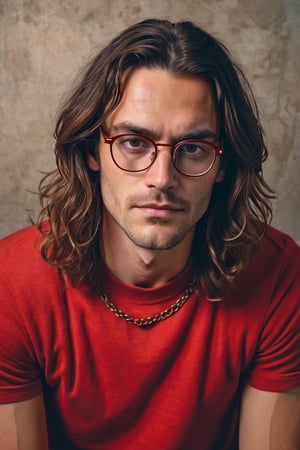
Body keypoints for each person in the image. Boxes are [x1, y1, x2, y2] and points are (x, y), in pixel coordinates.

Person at [0, 18, 299, 450]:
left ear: (223, 165)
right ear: (91, 151)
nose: (162, 178)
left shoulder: (278, 276)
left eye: (193, 148)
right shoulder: (12, 287)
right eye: (134, 142)